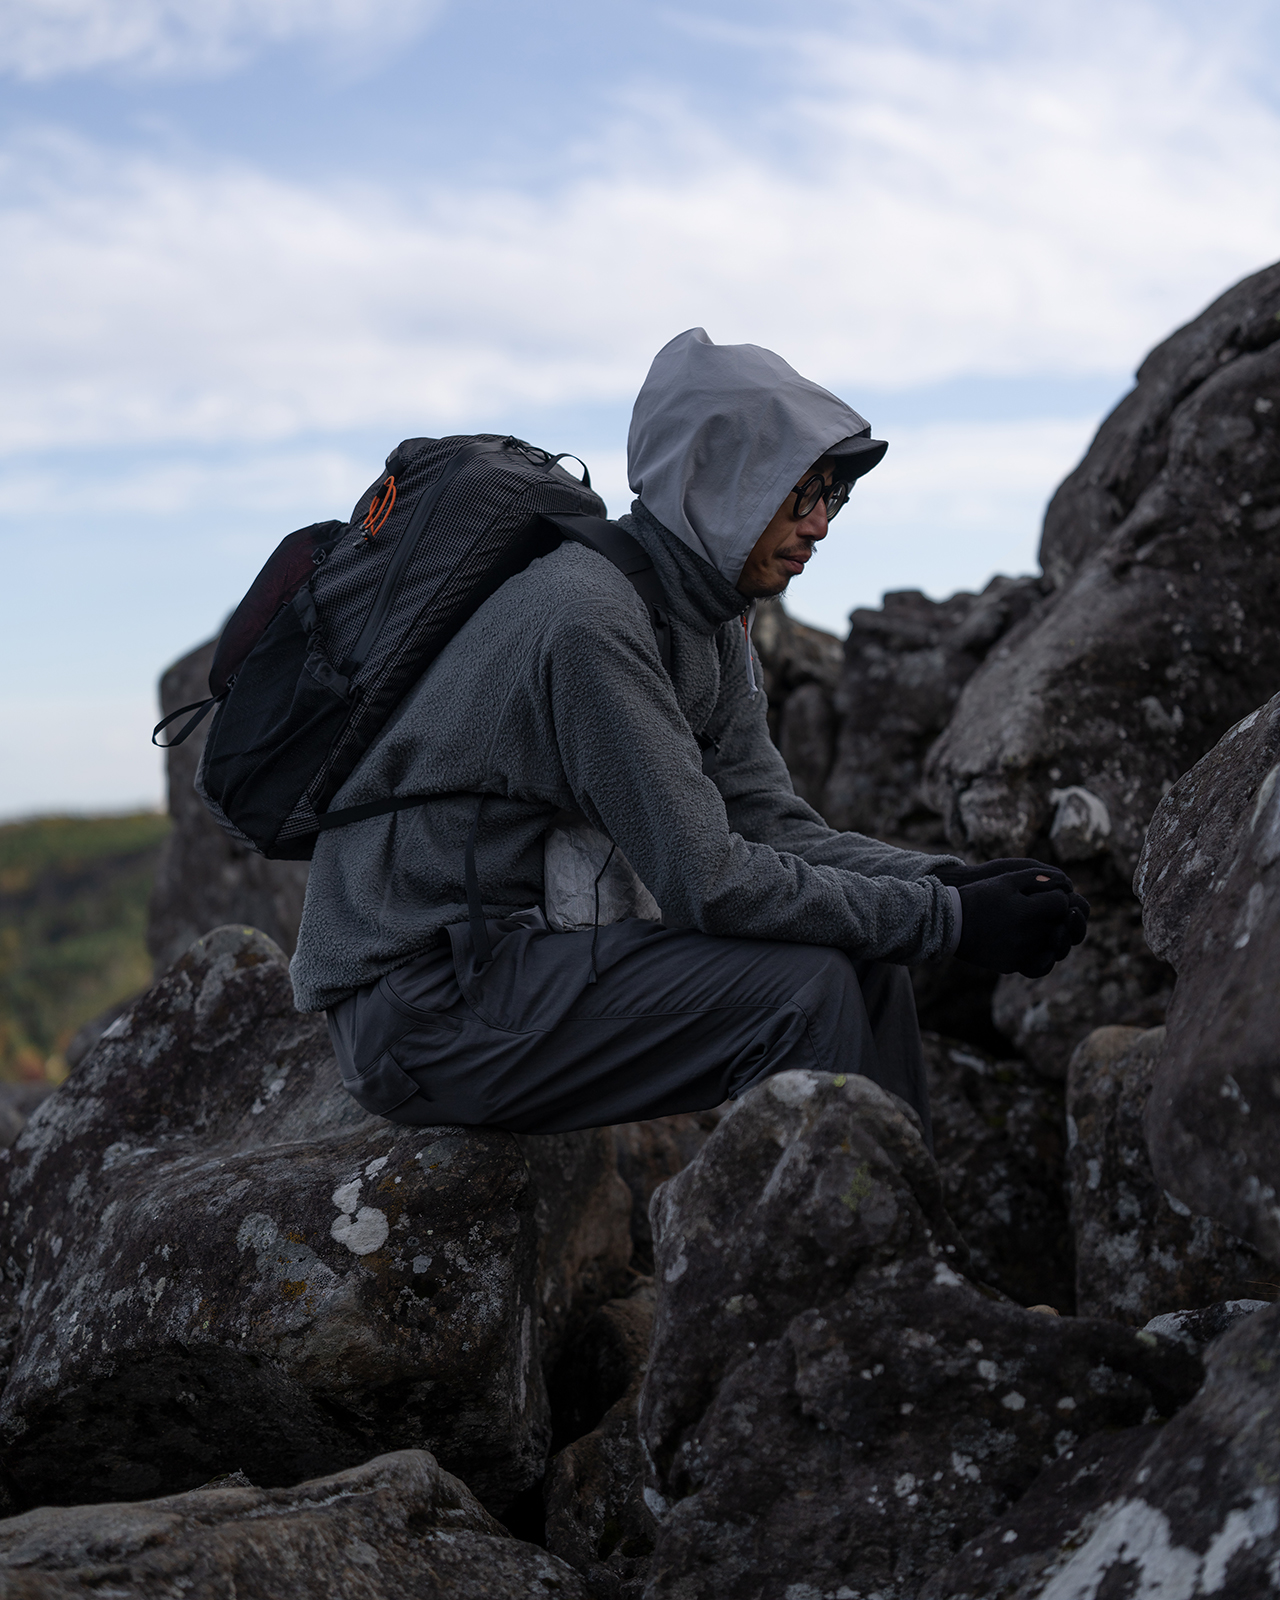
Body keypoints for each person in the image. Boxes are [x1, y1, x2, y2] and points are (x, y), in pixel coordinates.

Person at [291, 328, 1087, 1147]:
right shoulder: (589, 620)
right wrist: (950, 920)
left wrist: (949, 880)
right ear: (717, 480)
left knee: (868, 965)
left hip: (507, 967)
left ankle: (893, 1255)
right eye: (801, 492)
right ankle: (823, 1262)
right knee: (804, 990)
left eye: (833, 498)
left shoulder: (707, 616)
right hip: (419, 1008)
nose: (820, 524)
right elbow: (707, 879)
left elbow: (769, 822)